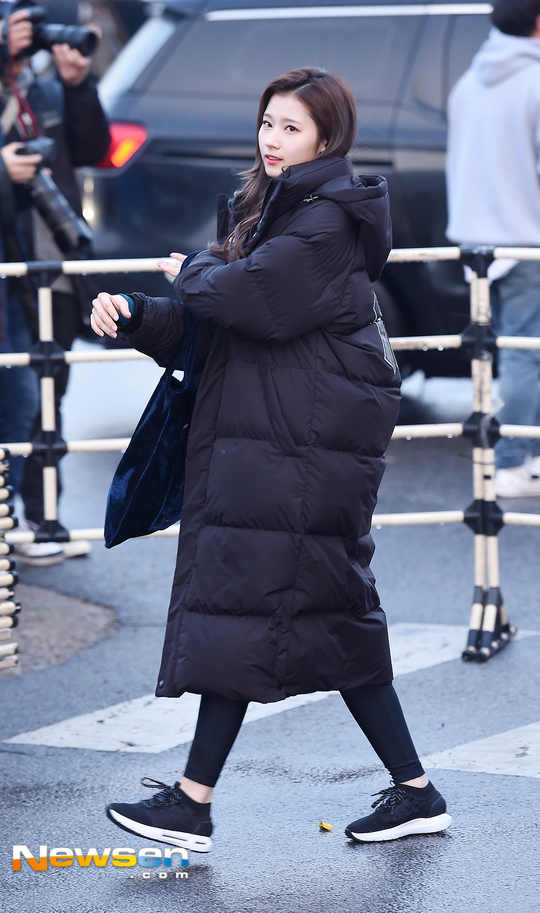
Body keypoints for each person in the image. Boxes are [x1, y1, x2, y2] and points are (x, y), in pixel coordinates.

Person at [91, 67, 452, 849]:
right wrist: (140, 316)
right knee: (324, 619)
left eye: (291, 127)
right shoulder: (272, 212)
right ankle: (415, 792)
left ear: (327, 138)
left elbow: (240, 297)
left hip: (300, 453)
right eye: (267, 123)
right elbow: (222, 325)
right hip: (280, 445)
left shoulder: (325, 223)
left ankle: (193, 802)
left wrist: (192, 270)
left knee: (257, 608)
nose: (273, 139)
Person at [0, 0, 110, 563]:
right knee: (20, 395)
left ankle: (43, 522)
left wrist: (78, 85)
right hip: (12, 267)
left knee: (47, 394)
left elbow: (93, 150)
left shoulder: (42, 93)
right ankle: (14, 521)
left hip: (54, 266)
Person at [446, 0, 540, 499]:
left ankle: (522, 457)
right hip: (526, 240)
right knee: (526, 354)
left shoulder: (469, 82)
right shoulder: (534, 81)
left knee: (508, 352)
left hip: (477, 243)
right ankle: (513, 463)